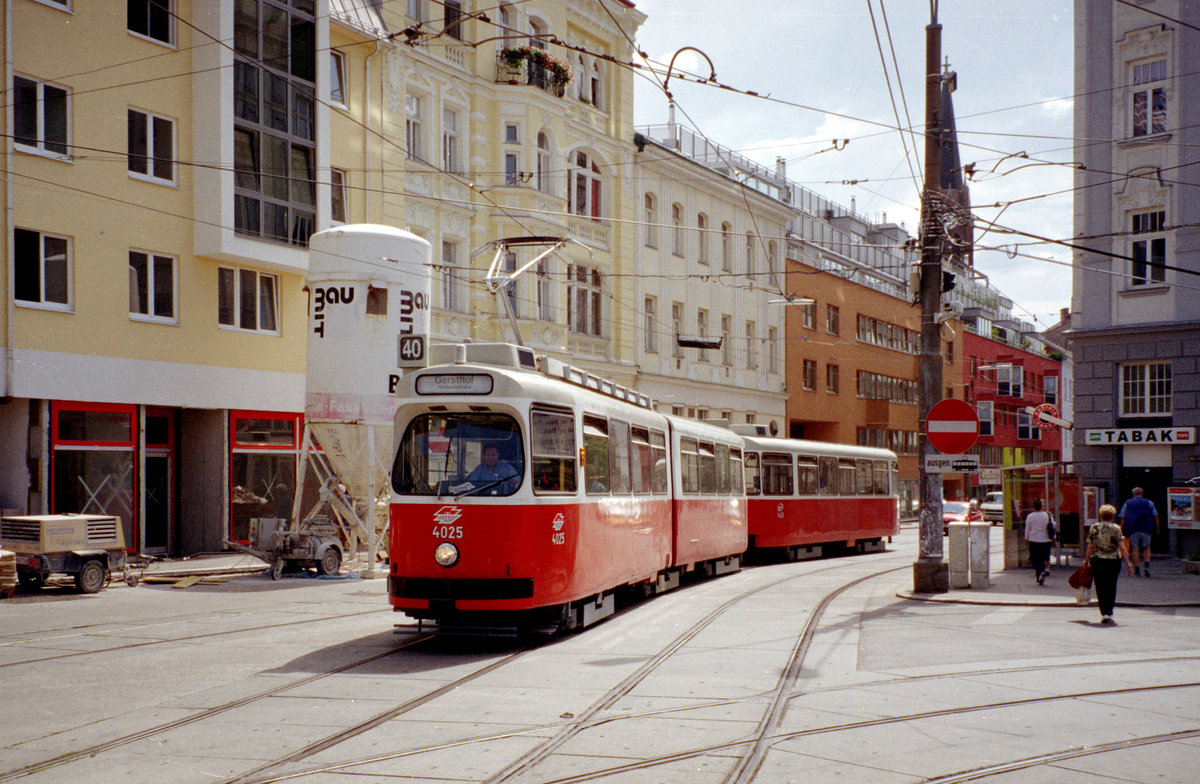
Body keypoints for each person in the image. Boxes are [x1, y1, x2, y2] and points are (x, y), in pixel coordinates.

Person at [1086, 503, 1134, 625]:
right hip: (1113, 560)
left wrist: (1086, 560)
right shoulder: (1116, 528)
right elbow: (1122, 547)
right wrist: (1128, 564)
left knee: (1100, 585)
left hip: (1097, 560)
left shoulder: (1094, 527)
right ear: (1112, 516)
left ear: (1101, 515)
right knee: (1111, 585)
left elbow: (1090, 546)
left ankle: (1104, 612)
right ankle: (1110, 610)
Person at [1118, 487, 1159, 577]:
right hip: (1146, 528)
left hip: (1133, 528)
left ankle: (1137, 569)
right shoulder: (1149, 502)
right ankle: (1146, 567)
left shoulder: (1128, 503)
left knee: (1135, 549)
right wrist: (1157, 528)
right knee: (1146, 548)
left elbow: (1123, 517)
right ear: (1142, 493)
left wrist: (1121, 529)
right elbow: (1155, 515)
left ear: (1133, 494)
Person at [1024, 499, 1055, 586]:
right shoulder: (1047, 515)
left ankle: (1040, 572)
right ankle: (1041, 573)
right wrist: (1053, 538)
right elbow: (1052, 527)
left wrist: (1026, 539)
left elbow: (1028, 529)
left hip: (1034, 539)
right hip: (1046, 540)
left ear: (1033, 507)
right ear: (1041, 506)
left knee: (1035, 559)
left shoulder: (1030, 516)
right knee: (1042, 558)